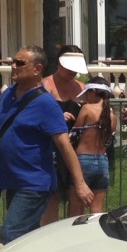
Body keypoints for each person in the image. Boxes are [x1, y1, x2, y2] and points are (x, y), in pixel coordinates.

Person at [0, 46, 93, 244]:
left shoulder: (46, 104)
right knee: (27, 239)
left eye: (20, 63)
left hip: (34, 184)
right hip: (11, 180)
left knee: (11, 235)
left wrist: (80, 184)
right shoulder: (8, 95)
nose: (13, 66)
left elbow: (65, 146)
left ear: (37, 69)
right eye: (13, 62)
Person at [40, 44, 87, 225]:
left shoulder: (83, 88)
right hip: (52, 148)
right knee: (52, 196)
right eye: (69, 68)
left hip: (76, 148)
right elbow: (37, 113)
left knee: (75, 194)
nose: (73, 73)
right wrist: (56, 116)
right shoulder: (45, 85)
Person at [70, 78, 115, 214]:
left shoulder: (87, 109)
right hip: (102, 161)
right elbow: (108, 141)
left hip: (83, 160)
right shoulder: (112, 115)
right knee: (97, 210)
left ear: (94, 92)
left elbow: (73, 136)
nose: (86, 98)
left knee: (76, 210)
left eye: (87, 93)